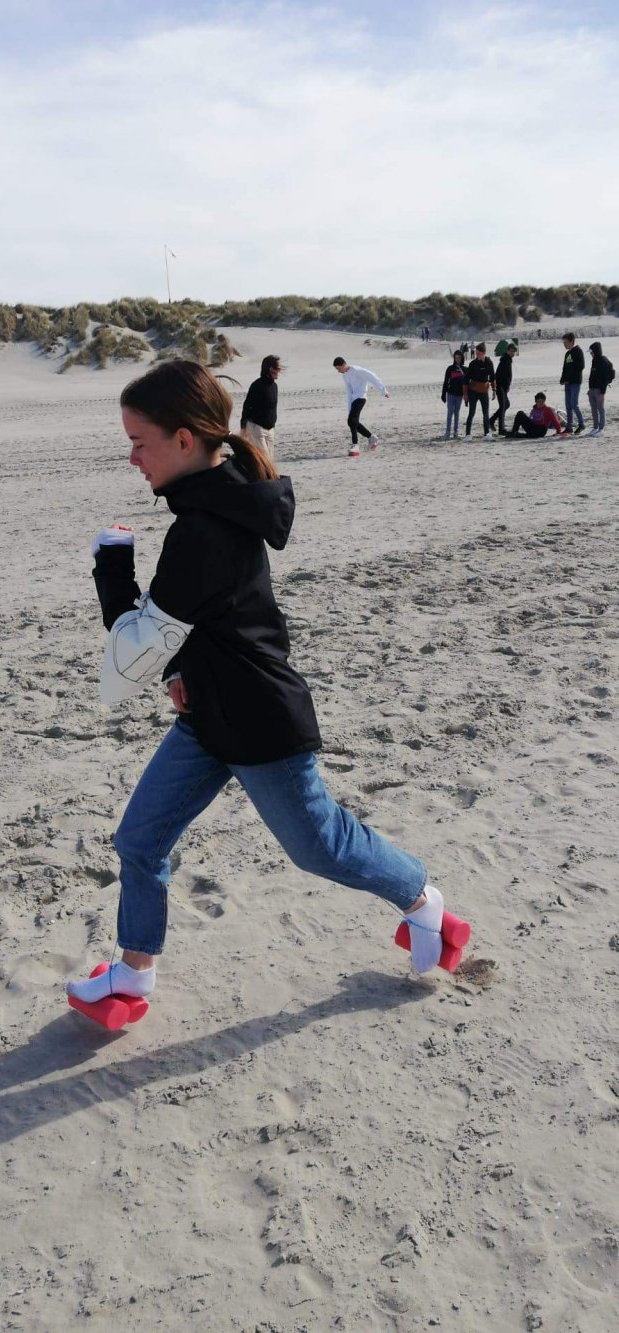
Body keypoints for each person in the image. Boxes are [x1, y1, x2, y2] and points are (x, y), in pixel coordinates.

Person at [66, 360, 454, 1008]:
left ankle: (421, 896)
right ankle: (133, 973)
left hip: (259, 721)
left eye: (140, 441)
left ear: (185, 440)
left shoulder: (204, 527)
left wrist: (111, 568)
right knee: (139, 838)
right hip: (210, 714)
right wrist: (180, 669)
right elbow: (205, 622)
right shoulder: (219, 495)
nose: (132, 456)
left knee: (320, 844)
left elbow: (127, 660)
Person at [333, 356, 390, 456]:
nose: (338, 371)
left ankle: (355, 446)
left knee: (351, 421)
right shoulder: (345, 376)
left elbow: (372, 376)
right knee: (353, 422)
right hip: (354, 399)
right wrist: (349, 407)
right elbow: (349, 391)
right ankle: (371, 437)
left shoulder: (357, 370)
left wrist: (383, 390)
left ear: (343, 365)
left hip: (361, 397)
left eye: (338, 368)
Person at [240, 354, 280, 457]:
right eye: (277, 368)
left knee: (269, 460)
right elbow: (247, 405)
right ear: (270, 369)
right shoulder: (257, 385)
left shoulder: (274, 386)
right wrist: (243, 426)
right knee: (265, 459)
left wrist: (273, 424)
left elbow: (272, 408)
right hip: (257, 428)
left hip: (270, 429)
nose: (279, 371)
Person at [463, 342, 495, 440]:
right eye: (476, 353)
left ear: (484, 353)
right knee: (471, 412)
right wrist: (465, 394)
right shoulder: (472, 364)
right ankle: (468, 434)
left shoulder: (489, 363)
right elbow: (466, 380)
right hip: (473, 391)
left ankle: (486, 433)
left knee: (486, 413)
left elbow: (493, 378)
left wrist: (494, 390)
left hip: (484, 391)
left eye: (479, 353)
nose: (477, 355)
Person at [586, 341, 614, 437]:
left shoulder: (603, 361)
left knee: (600, 409)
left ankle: (601, 429)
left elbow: (605, 378)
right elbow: (592, 376)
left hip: (599, 390)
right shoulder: (594, 361)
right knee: (593, 409)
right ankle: (595, 427)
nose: (591, 354)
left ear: (596, 351)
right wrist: (589, 389)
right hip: (592, 390)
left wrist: (602, 393)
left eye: (592, 352)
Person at [559, 332, 585, 435]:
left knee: (574, 404)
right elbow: (565, 368)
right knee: (568, 405)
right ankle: (569, 426)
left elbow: (580, 366)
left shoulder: (578, 351)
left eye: (565, 342)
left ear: (571, 341)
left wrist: (569, 378)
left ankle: (581, 424)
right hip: (567, 383)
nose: (564, 344)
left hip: (575, 382)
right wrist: (562, 379)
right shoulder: (567, 354)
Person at [489, 342, 517, 436]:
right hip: (500, 387)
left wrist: (507, 386)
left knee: (506, 405)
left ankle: (492, 420)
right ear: (507, 351)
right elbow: (499, 375)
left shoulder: (508, 360)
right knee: (503, 405)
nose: (513, 353)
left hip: (503, 387)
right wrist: (497, 387)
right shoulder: (505, 360)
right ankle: (501, 429)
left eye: (514, 351)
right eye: (511, 351)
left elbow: (507, 376)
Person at [440, 349, 466, 439]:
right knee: (450, 413)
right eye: (456, 357)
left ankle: (455, 432)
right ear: (454, 358)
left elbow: (467, 384)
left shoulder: (465, 369)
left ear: (462, 358)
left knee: (457, 413)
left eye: (459, 357)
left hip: (459, 395)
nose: (458, 359)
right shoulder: (450, 369)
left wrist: (466, 396)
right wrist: (443, 394)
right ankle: (447, 432)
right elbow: (446, 382)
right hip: (451, 394)